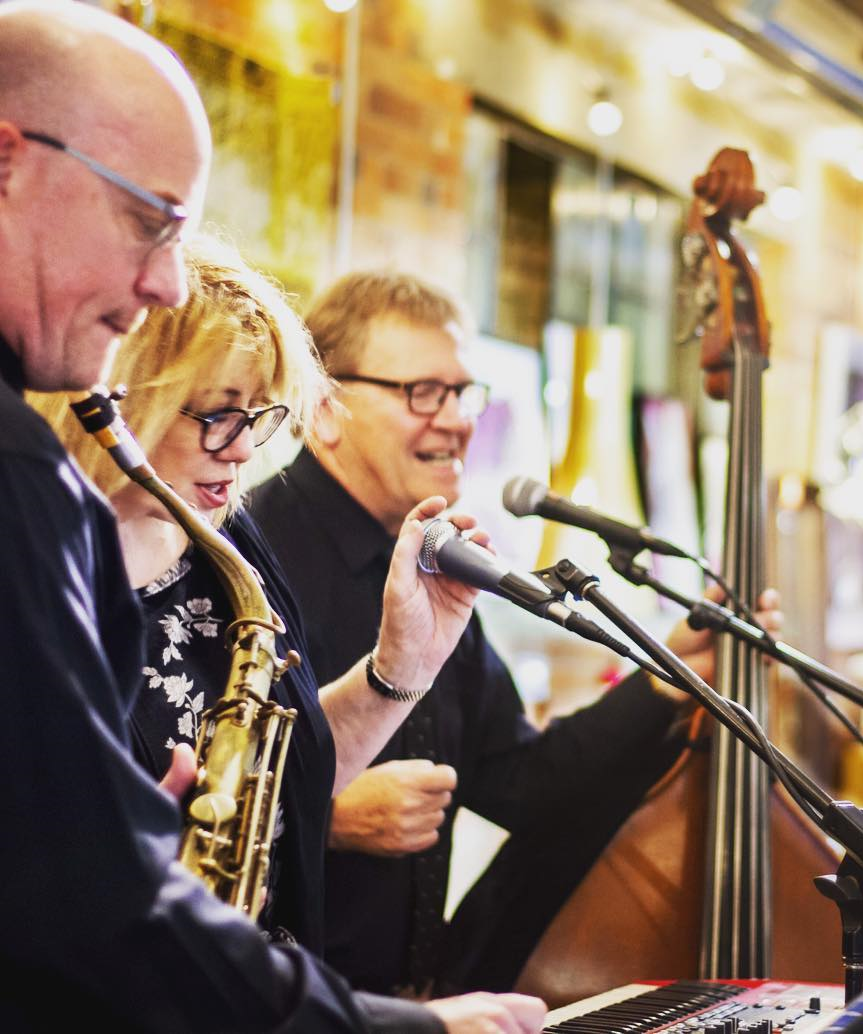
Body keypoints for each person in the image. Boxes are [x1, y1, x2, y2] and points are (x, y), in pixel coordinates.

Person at [0, 4, 543, 1031]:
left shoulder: (230, 545)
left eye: (262, 419)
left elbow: (280, 789)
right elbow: (87, 899)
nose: (242, 450)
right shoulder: (32, 490)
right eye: (217, 413)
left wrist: (399, 667)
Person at [248, 271, 783, 996]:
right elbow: (177, 815)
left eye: (463, 393)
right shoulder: (250, 557)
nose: (456, 420)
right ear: (325, 409)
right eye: (423, 392)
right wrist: (324, 817)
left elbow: (521, 785)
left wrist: (667, 679)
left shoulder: (431, 561)